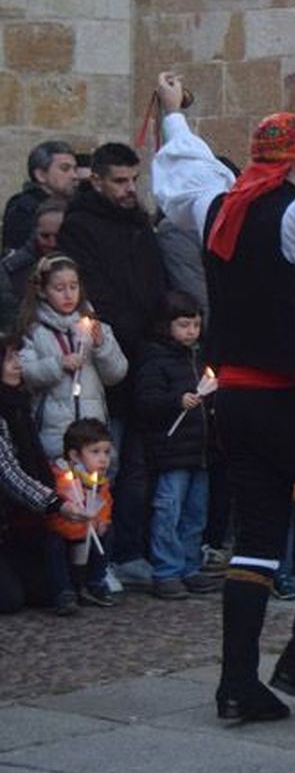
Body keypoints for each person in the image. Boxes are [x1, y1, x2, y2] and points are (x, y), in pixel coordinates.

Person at [151, 61, 295, 722]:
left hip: (235, 402)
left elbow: (188, 173)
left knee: (256, 538)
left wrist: (172, 113)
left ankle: (237, 684)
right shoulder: (294, 221)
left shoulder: (219, 209)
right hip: (287, 398)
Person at [58, 140, 170, 590]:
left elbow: (155, 281)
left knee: (139, 469)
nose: (128, 189)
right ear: (98, 180)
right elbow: (96, 291)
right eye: (120, 181)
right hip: (110, 360)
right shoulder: (80, 226)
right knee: (107, 465)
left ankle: (130, 551)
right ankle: (96, 560)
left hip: (145, 360)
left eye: (133, 180)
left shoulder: (139, 224)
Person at [136, 290, 221, 600]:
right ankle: (167, 570)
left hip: (198, 450)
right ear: (167, 325)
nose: (191, 332)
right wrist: (176, 401)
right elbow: (146, 402)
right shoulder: (156, 359)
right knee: (168, 511)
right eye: (184, 325)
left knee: (195, 514)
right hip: (171, 451)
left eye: (195, 325)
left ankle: (189, 566)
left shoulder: (197, 358)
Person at [0, 333, 86, 615]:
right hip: (11, 512)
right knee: (10, 599)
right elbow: (9, 473)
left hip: (18, 520)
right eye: (9, 359)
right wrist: (55, 503)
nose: (18, 365)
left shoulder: (19, 404)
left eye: (17, 357)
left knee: (44, 592)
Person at [18, 255, 129, 460]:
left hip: (93, 433)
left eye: (73, 287)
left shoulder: (97, 327)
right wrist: (58, 364)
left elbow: (116, 374)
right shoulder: (34, 331)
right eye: (59, 289)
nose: (68, 295)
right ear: (42, 291)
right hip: (54, 434)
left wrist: (101, 347)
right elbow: (25, 372)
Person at [47, 418, 116, 613]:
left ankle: (95, 581)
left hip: (87, 531)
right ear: (75, 455)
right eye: (95, 452)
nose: (103, 459)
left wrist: (102, 520)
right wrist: (80, 526)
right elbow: (55, 514)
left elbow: (104, 502)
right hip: (65, 532)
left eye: (106, 452)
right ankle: (63, 590)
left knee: (108, 532)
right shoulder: (61, 479)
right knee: (53, 543)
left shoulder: (99, 480)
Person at [3, 140, 77, 252]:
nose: (74, 175)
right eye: (65, 169)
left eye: (75, 169)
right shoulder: (23, 208)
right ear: (41, 175)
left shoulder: (73, 204)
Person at [2, 197, 65, 311]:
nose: (52, 243)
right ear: (35, 233)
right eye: (45, 236)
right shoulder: (12, 269)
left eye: (59, 236)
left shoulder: (88, 263)